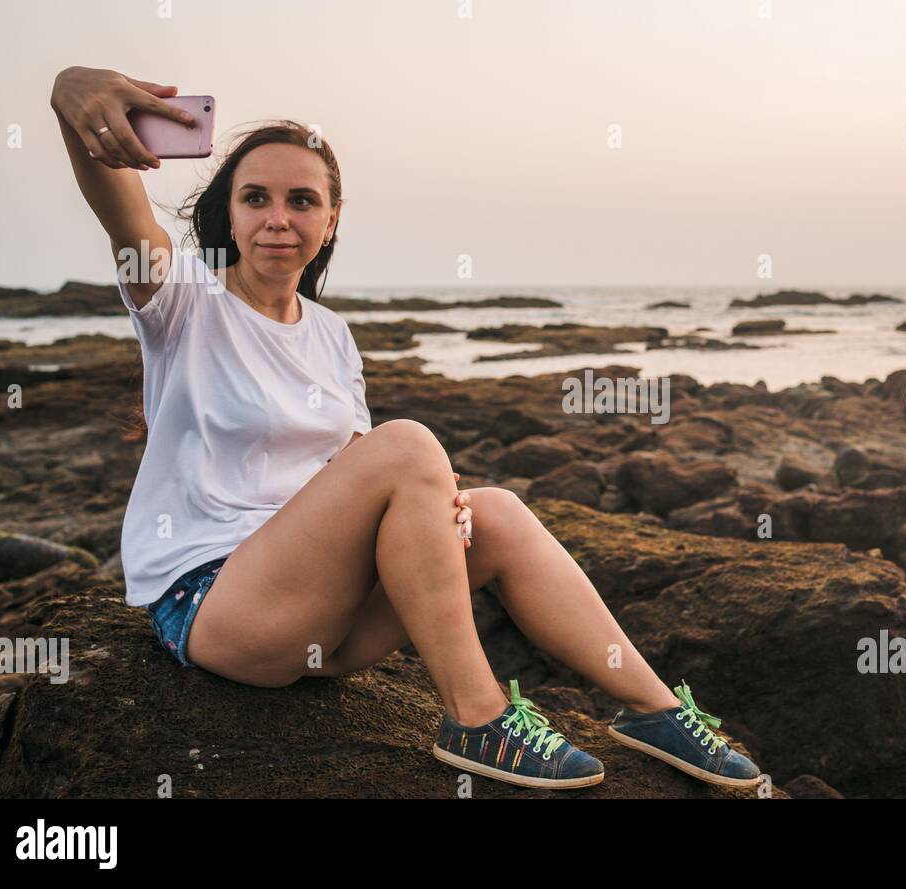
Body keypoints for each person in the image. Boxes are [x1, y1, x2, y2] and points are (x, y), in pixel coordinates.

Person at [49, 65, 762, 792]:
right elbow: (123, 210)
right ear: (229, 214)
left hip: (317, 622)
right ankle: (479, 717)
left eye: (303, 201)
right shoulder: (183, 301)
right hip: (217, 608)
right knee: (412, 443)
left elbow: (349, 473)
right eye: (255, 198)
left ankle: (655, 711)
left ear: (329, 221)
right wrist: (70, 91)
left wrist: (433, 503)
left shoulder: (330, 336)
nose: (278, 218)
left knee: (496, 512)